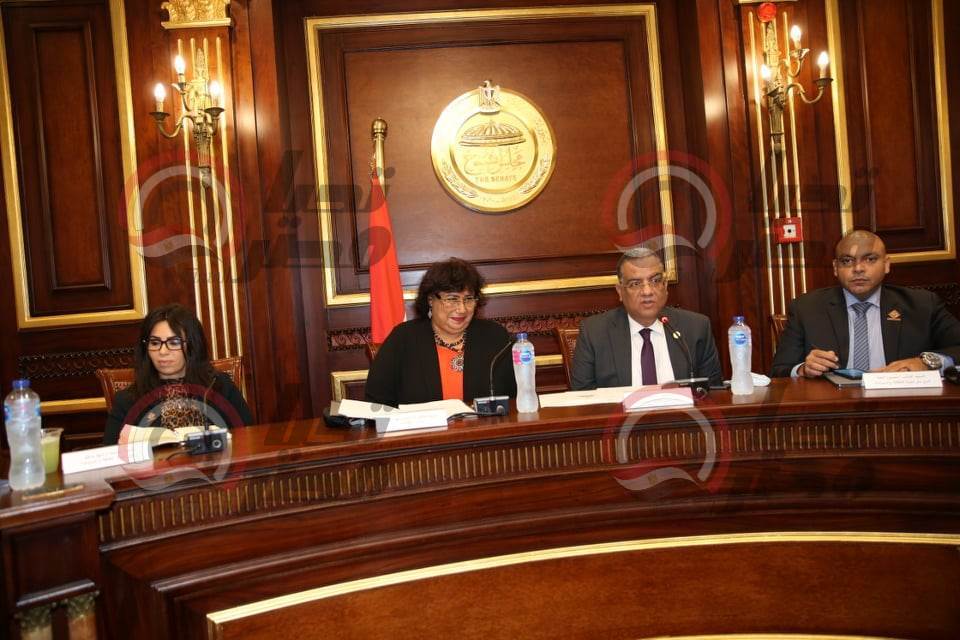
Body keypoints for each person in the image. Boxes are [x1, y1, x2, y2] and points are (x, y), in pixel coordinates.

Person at [770, 229, 960, 378]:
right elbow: (780, 370)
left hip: (903, 404)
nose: (858, 268)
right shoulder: (806, 308)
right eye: (847, 261)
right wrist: (803, 369)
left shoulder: (922, 305)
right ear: (835, 268)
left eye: (870, 259)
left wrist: (926, 362)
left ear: (886, 264)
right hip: (835, 407)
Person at [365, 257, 517, 406]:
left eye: (469, 299)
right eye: (452, 299)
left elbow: (515, 397)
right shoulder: (403, 338)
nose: (462, 309)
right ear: (431, 300)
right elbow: (376, 402)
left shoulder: (495, 337)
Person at [571, 248, 723, 390]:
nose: (647, 291)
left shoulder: (696, 328)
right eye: (635, 283)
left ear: (665, 285)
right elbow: (583, 398)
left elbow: (713, 393)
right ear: (620, 291)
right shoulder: (594, 333)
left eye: (655, 281)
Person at [103, 304, 253, 444]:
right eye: (155, 343)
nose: (163, 351)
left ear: (193, 345)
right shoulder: (127, 400)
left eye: (174, 342)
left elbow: (248, 439)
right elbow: (112, 454)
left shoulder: (220, 386)